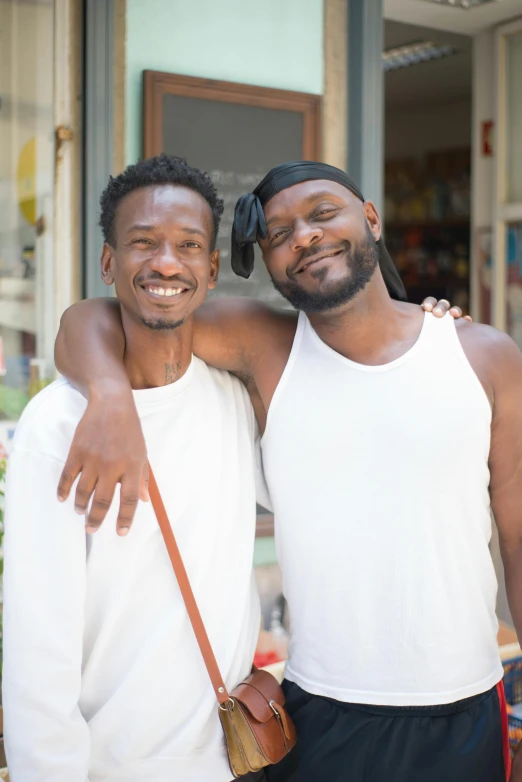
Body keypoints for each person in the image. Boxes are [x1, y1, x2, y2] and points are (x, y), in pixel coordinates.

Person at [52, 159, 518, 782]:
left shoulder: (482, 356)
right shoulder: (266, 347)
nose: (303, 237)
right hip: (322, 712)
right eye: (277, 234)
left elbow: (517, 535)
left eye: (323, 214)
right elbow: (93, 318)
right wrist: (109, 397)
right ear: (266, 262)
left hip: (466, 707)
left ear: (370, 220)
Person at [2, 156, 269, 782]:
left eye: (188, 246)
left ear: (209, 269)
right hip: (115, 767)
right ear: (108, 262)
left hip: (235, 759)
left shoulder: (234, 399)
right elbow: (39, 652)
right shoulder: (58, 424)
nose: (166, 263)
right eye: (143, 243)